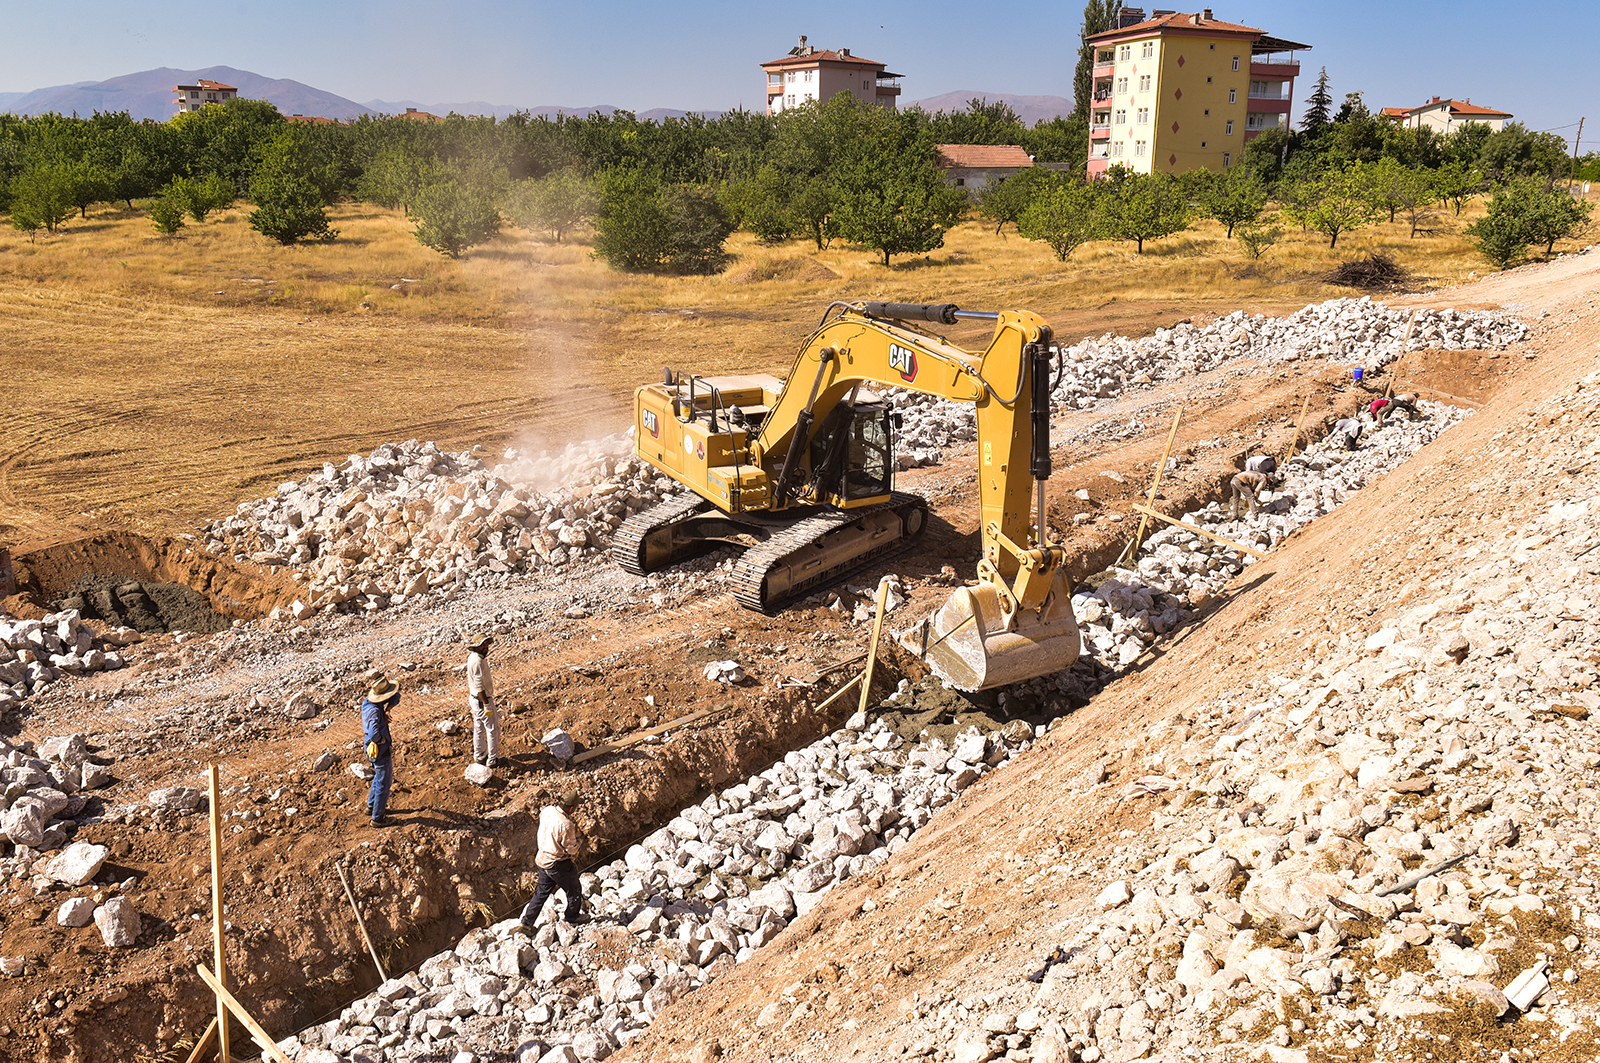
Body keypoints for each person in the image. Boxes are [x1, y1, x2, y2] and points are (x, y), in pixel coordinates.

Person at [517, 790, 587, 930]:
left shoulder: (547, 810)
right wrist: (580, 839)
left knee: (541, 893)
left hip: (543, 860)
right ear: (572, 808)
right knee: (574, 889)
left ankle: (527, 922)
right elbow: (571, 849)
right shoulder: (566, 824)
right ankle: (572, 917)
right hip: (559, 864)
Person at [362, 674, 400, 828]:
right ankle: (378, 817)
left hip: (371, 750)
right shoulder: (375, 712)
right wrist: (380, 740)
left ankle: (371, 806)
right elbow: (373, 733)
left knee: (379, 776)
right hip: (380, 750)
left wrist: (388, 709)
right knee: (384, 782)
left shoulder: (368, 704)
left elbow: (396, 696)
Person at [466, 633, 499, 771]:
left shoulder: (473, 657)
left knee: (479, 728)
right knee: (492, 729)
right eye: (483, 644)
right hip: (481, 699)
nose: (486, 646)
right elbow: (479, 686)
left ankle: (479, 756)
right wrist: (486, 704)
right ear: (477, 647)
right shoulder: (478, 661)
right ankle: (492, 759)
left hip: (474, 699)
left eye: (487, 644)